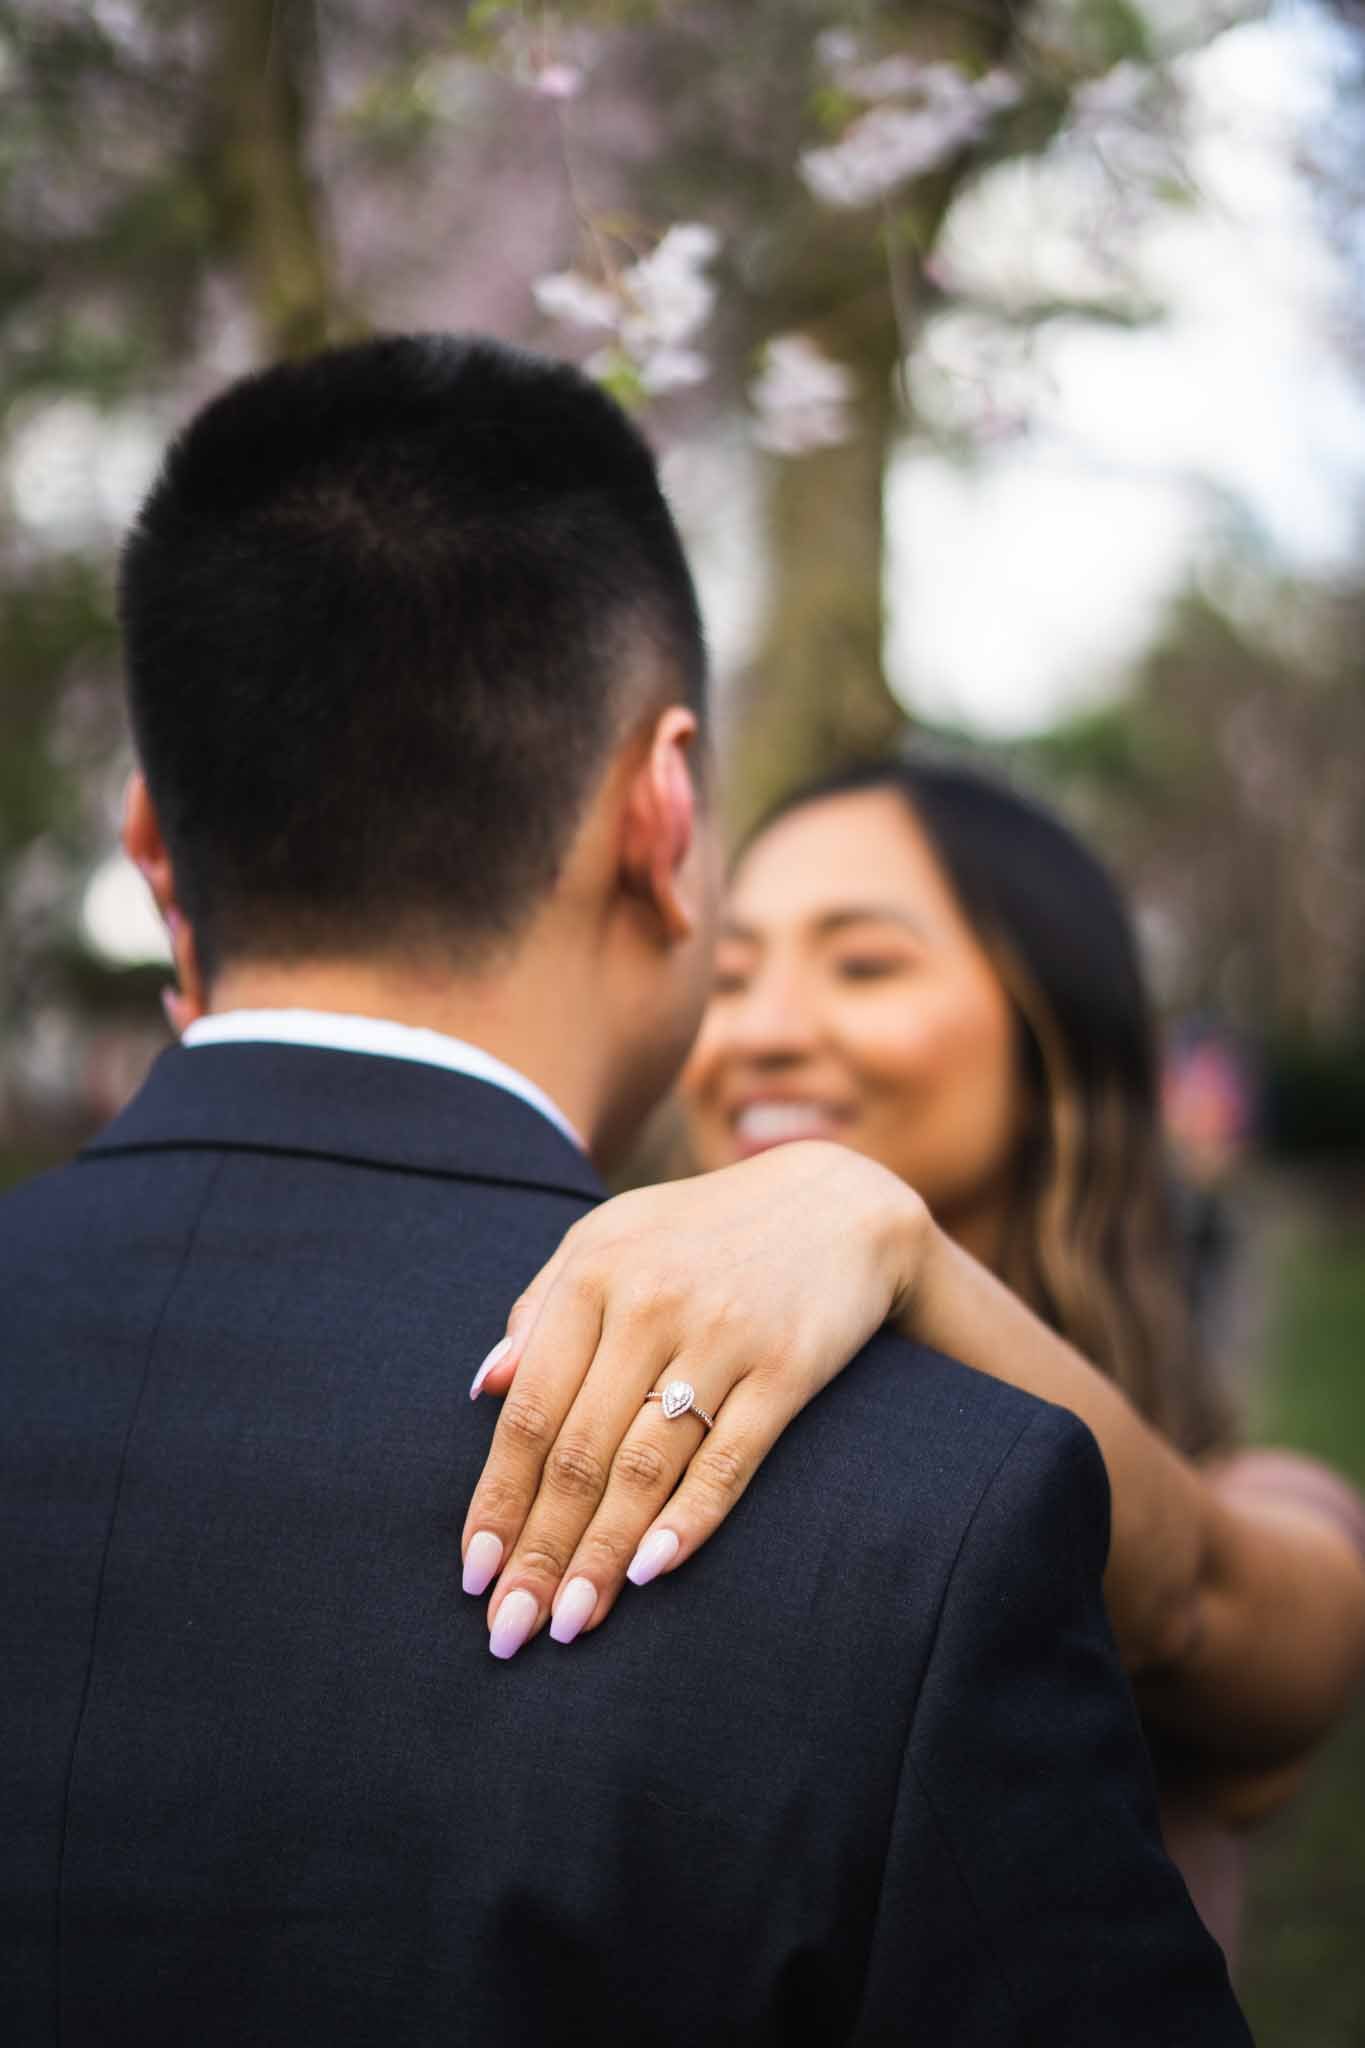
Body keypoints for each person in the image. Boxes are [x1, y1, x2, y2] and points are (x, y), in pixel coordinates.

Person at [0, 339, 1251, 2046]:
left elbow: (1238, 1604)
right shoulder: (916, 1503)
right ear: (662, 812)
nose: (783, 1023)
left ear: (155, 849)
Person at [462, 756, 1365, 1964]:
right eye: (726, 973)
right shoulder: (581, 1372)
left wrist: (898, 1241)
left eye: (865, 963)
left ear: (1054, 1026)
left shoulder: (1263, 1494)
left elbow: (1218, 1611)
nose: (764, 1030)